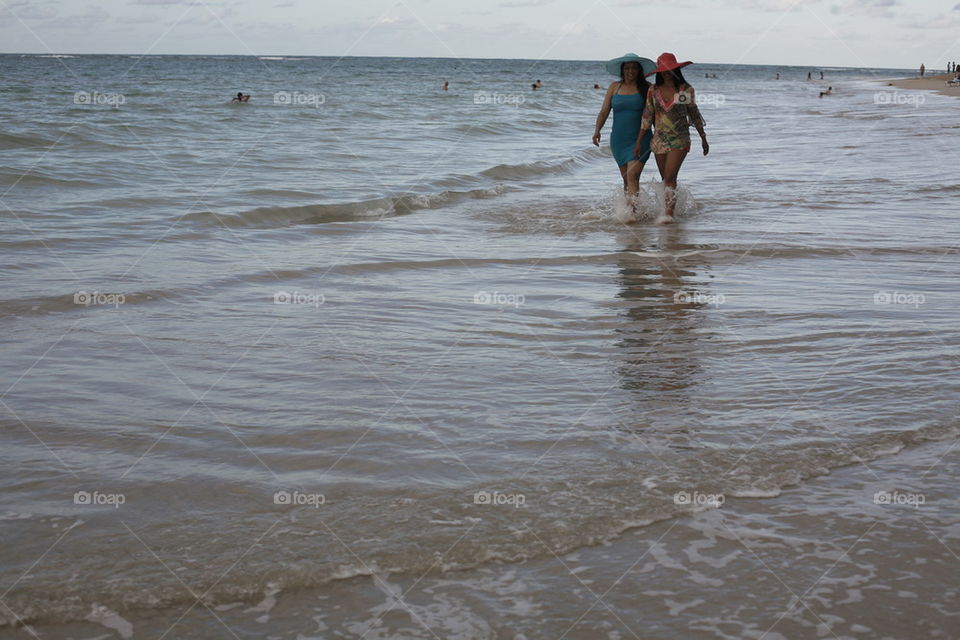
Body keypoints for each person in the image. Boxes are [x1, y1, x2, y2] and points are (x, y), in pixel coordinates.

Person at [634, 52, 708, 224]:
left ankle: (668, 215)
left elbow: (693, 114)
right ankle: (670, 210)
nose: (667, 72)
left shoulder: (684, 90)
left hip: (680, 139)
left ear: (676, 70)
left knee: (670, 177)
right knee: (665, 179)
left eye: (670, 69)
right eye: (664, 69)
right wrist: (639, 142)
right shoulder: (653, 91)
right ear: (659, 72)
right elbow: (647, 116)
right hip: (659, 140)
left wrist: (703, 137)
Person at [592, 53, 656, 214]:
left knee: (632, 175)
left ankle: (630, 214)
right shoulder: (615, 87)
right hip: (619, 140)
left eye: (634, 68)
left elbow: (653, 113)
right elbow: (604, 110)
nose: (630, 71)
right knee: (627, 179)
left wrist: (659, 134)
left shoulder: (647, 88)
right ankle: (635, 211)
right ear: (622, 70)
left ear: (639, 70)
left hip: (641, 138)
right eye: (627, 68)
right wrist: (597, 130)